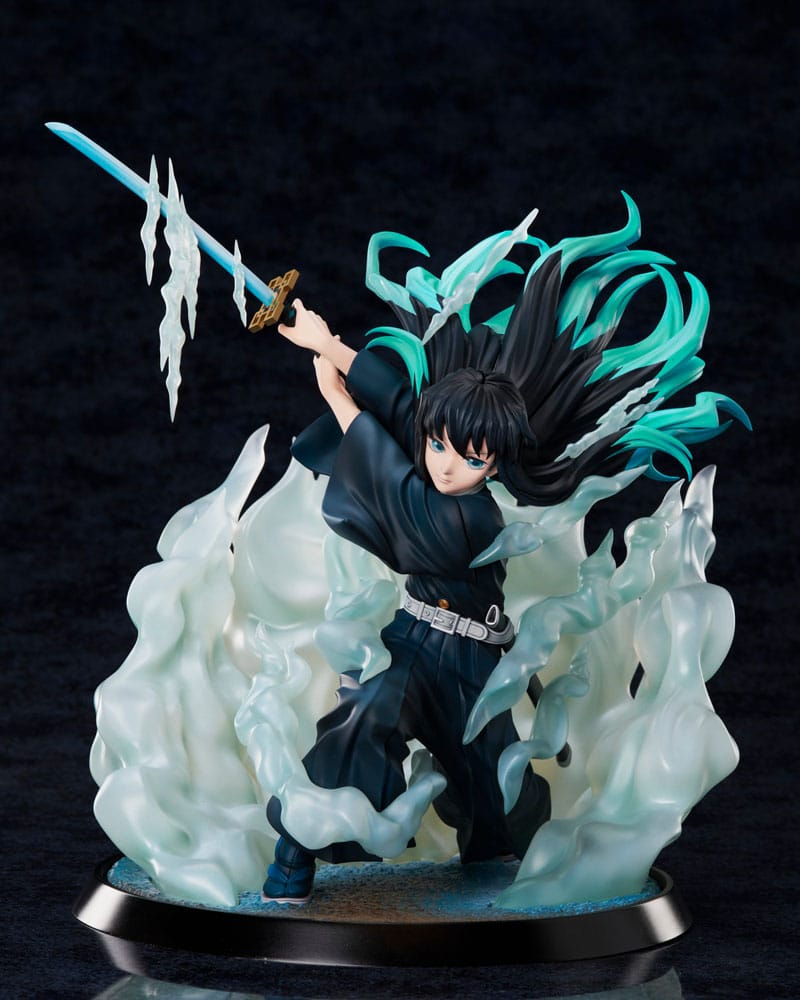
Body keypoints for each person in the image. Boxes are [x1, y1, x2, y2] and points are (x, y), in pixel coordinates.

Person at [262, 301, 551, 902]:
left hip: (476, 662)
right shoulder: (435, 452)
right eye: (439, 446)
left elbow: (397, 490)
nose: (447, 466)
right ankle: (295, 848)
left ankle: (493, 858)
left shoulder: (473, 520)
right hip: (414, 642)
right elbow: (402, 408)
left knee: (489, 775)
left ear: (495, 464)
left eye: (472, 459)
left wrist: (338, 398)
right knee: (363, 718)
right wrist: (328, 345)